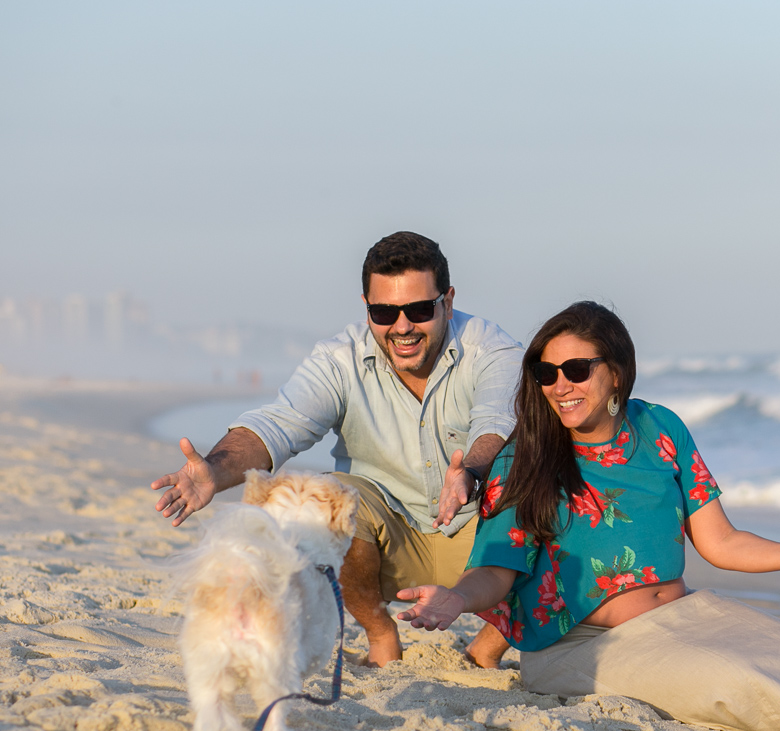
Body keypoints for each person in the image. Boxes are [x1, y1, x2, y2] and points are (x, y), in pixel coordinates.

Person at [394, 301, 780, 731]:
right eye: (546, 372)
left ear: (616, 371)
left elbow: (720, 542)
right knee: (732, 678)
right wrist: (456, 599)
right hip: (586, 645)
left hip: (687, 616)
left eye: (576, 370)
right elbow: (497, 568)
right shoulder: (529, 456)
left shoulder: (660, 427)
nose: (560, 385)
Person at [151, 232, 522, 668]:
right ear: (366, 306)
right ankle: (381, 635)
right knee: (321, 501)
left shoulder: (492, 349)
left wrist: (471, 472)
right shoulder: (339, 359)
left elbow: (497, 422)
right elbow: (279, 424)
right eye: (385, 312)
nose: (402, 326)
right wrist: (214, 470)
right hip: (387, 538)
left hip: (482, 540)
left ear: (448, 302)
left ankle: (490, 644)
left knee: (553, 495)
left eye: (420, 310)